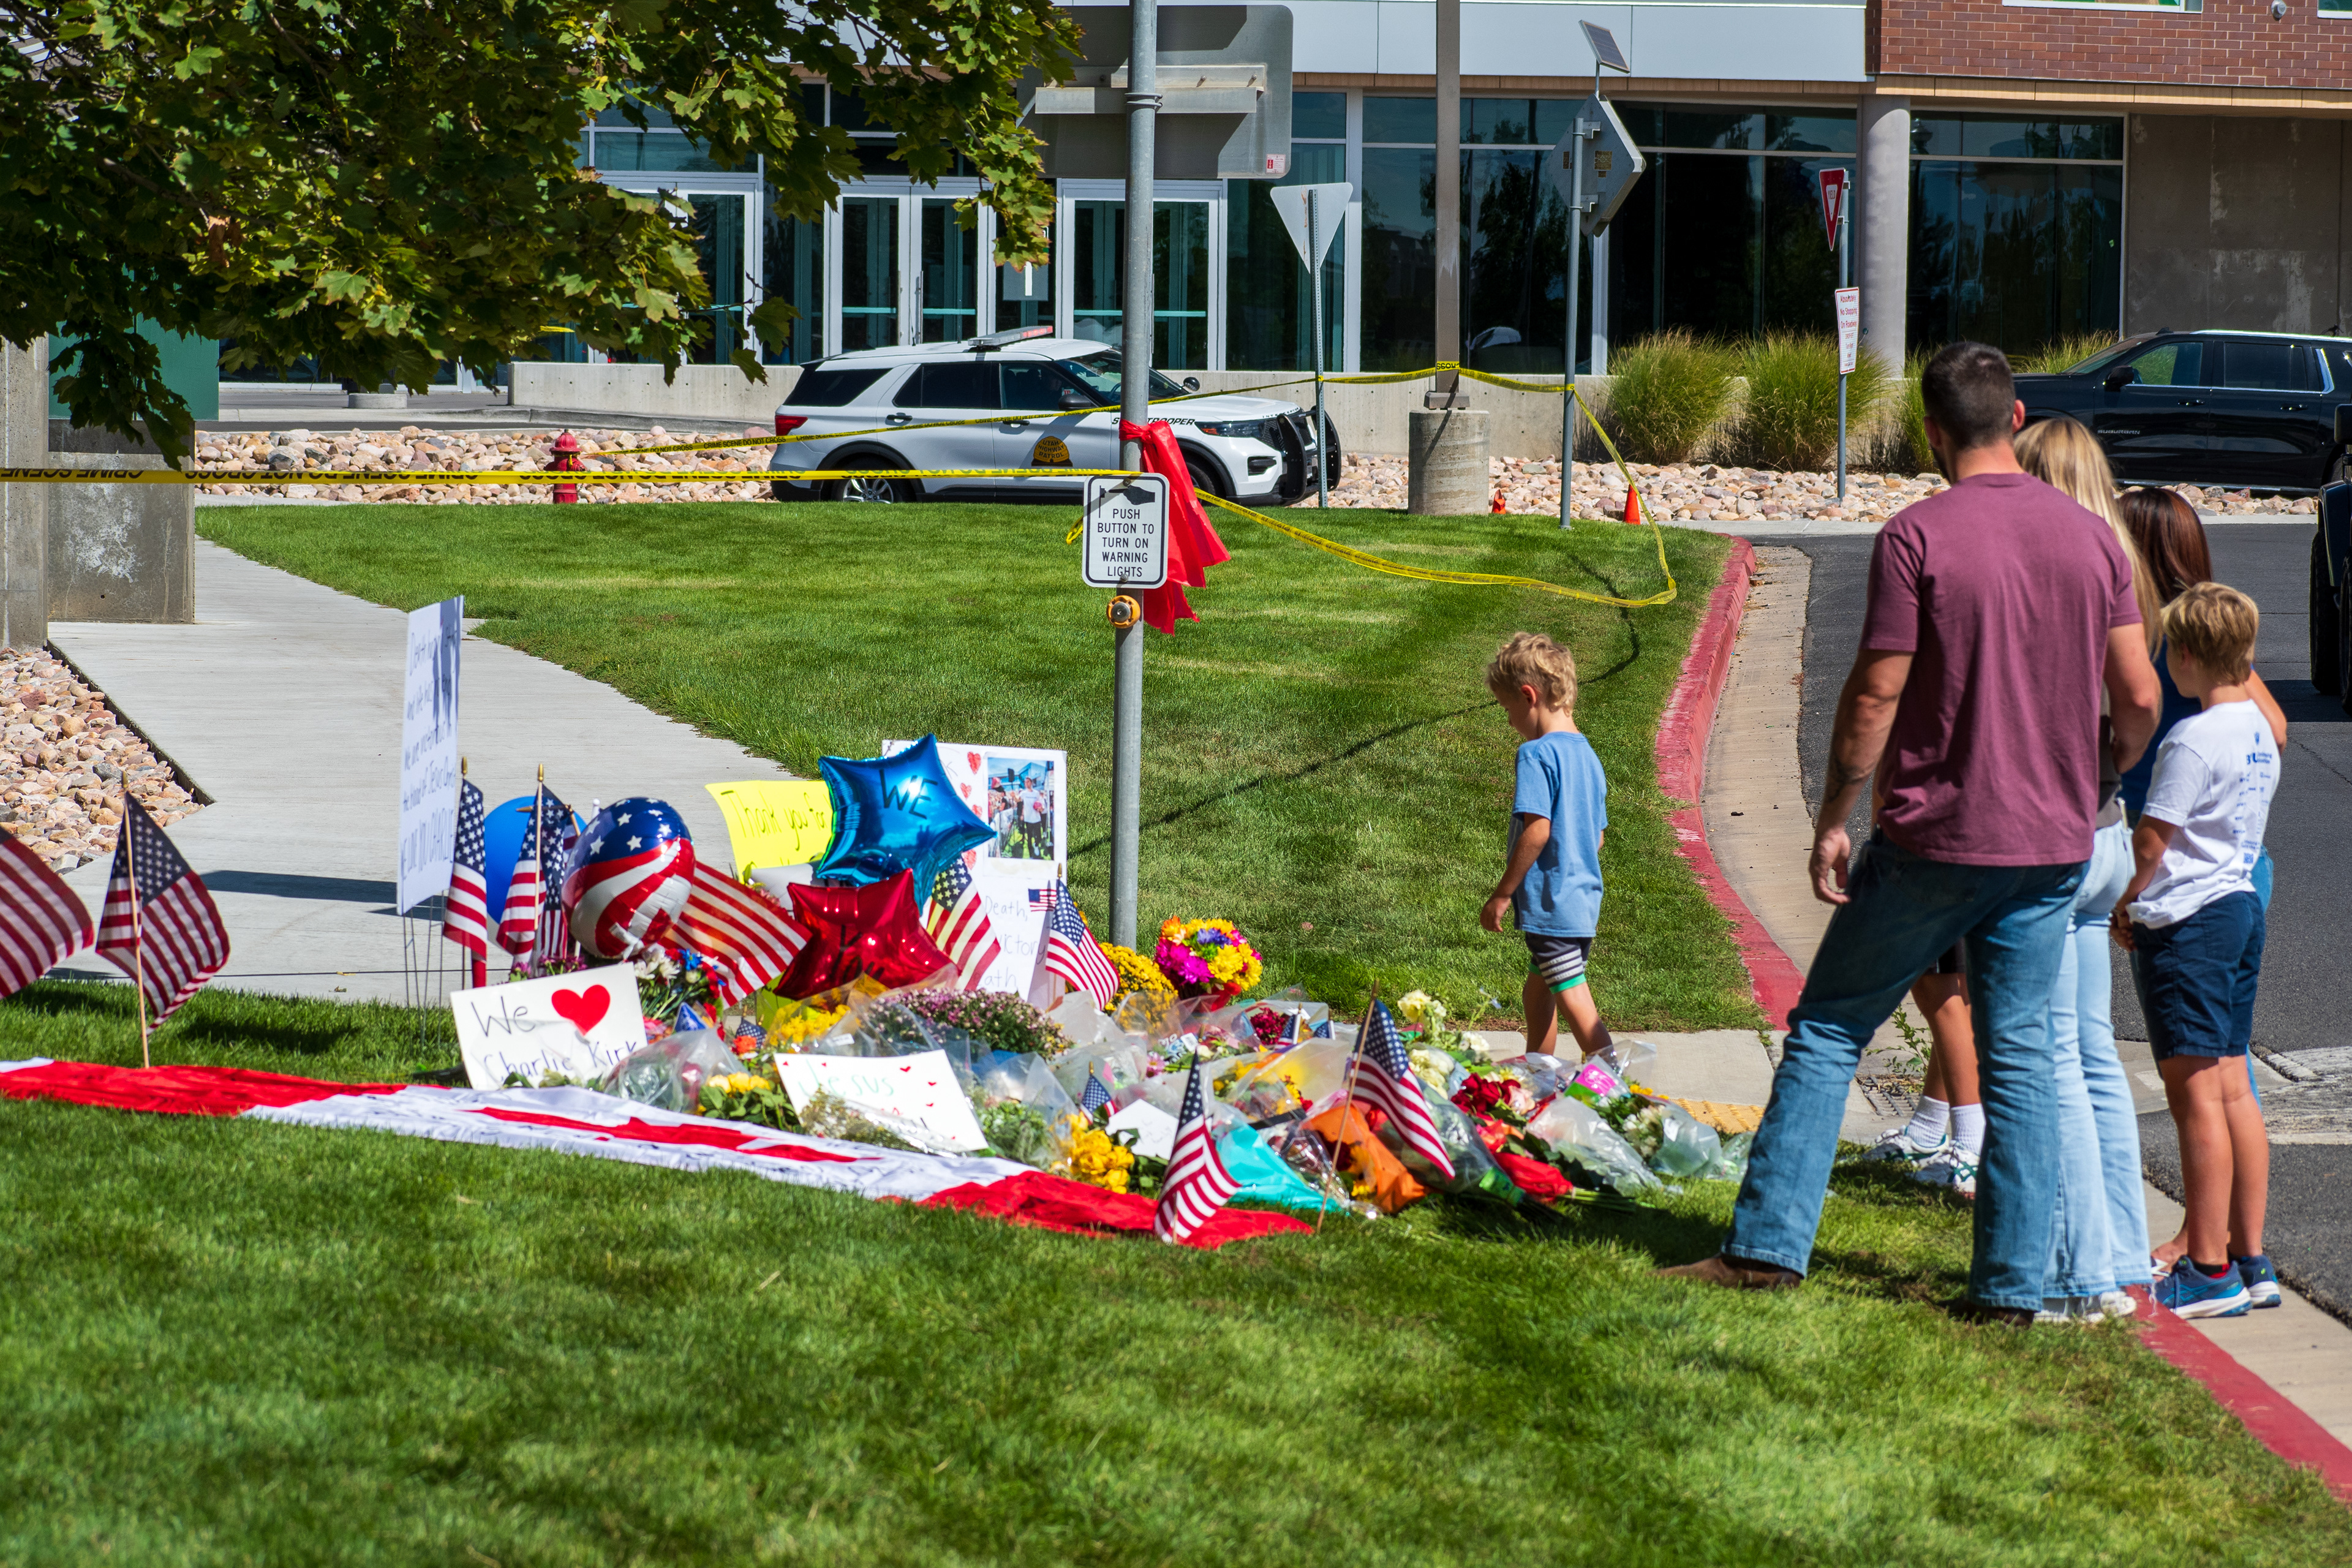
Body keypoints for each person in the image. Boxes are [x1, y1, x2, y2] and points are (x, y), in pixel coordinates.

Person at [1660, 342, 2161, 1324]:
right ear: (2016, 420)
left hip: (1936, 837)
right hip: (2052, 846)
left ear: (1934, 433)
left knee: (1831, 1027)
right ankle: (2011, 1289)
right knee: (2020, 1057)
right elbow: (2139, 696)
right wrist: (2097, 770)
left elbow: (1878, 692)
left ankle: (1767, 1250)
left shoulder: (1916, 536)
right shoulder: (2092, 538)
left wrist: (1833, 821)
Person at [2009, 417, 2164, 1324]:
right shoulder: (2122, 562)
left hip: (2053, 832)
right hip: (2109, 826)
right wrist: (2113, 764)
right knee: (2094, 1051)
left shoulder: (2043, 565)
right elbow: (2135, 698)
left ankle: (2078, 1277)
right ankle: (2119, 1254)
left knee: (2051, 1056)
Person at [2116, 486, 2286, 1299]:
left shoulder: (2183, 714)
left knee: (2196, 1091)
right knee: (2230, 1079)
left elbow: (2152, 836)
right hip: (2239, 887)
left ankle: (2207, 1262)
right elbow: (2277, 731)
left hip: (2185, 904)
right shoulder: (2247, 714)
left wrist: (2124, 900)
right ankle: (2248, 1260)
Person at [1479, 631, 1615, 1061]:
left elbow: (1536, 831)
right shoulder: (1587, 755)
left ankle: (1617, 1085)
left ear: (1528, 695)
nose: (1508, 720)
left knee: (1575, 1000)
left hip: (1551, 906)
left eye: (1506, 709)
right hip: (1582, 902)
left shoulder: (1535, 754)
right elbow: (1598, 836)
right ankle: (1540, 1069)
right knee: (1540, 989)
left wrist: (1502, 894)